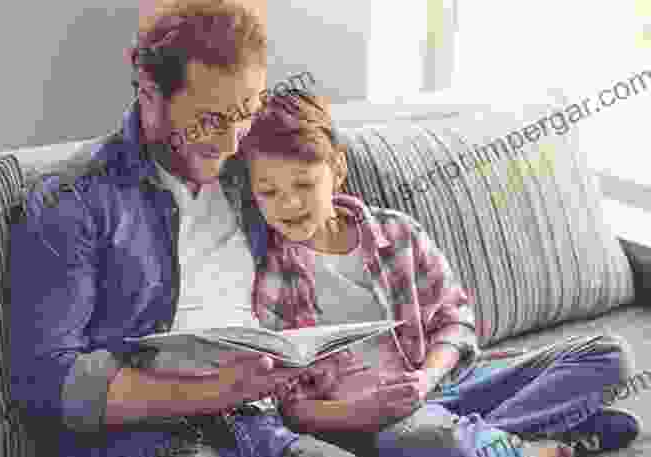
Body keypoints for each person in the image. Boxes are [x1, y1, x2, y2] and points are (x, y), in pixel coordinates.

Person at [8, 2, 362, 457]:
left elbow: (330, 208)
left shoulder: (250, 171)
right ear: (149, 93)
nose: (234, 141)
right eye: (212, 120)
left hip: (259, 426)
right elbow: (47, 383)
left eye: (247, 111)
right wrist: (218, 390)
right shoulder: (74, 201)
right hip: (145, 439)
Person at [238, 90, 642, 457]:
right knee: (417, 439)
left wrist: (425, 380)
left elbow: (457, 322)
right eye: (269, 193)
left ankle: (492, 443)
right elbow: (287, 403)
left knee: (609, 354)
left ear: (337, 169)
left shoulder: (397, 233)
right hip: (381, 421)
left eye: (304, 184)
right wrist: (357, 412)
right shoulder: (270, 278)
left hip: (450, 383)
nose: (289, 203)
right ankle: (534, 446)